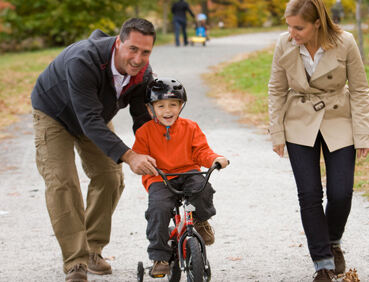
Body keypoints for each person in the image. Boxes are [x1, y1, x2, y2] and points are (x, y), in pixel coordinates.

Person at [31, 18, 159, 282]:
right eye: (132, 49)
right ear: (118, 43)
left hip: (93, 116)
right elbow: (88, 120)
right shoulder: (83, 59)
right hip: (54, 113)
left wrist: (161, 150)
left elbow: (141, 120)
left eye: (145, 52)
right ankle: (75, 262)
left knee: (110, 176)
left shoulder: (142, 73)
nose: (138, 58)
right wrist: (130, 155)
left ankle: (92, 250)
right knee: (63, 182)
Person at [268, 0, 369, 281]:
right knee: (310, 195)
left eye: (298, 27)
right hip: (299, 122)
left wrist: (364, 133)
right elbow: (276, 89)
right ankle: (323, 263)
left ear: (317, 23)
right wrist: (276, 132)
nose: (292, 33)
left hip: (339, 119)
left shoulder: (345, 42)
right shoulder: (284, 43)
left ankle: (333, 240)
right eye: (289, 26)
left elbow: (360, 89)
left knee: (341, 193)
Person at [132, 77, 229, 276]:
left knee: (202, 187)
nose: (167, 111)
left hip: (187, 172)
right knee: (158, 209)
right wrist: (142, 165)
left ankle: (200, 222)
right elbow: (138, 157)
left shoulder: (190, 127)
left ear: (181, 105)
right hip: (159, 178)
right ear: (151, 109)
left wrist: (214, 159)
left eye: (173, 105)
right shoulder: (145, 133)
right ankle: (159, 256)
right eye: (161, 106)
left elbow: (201, 150)